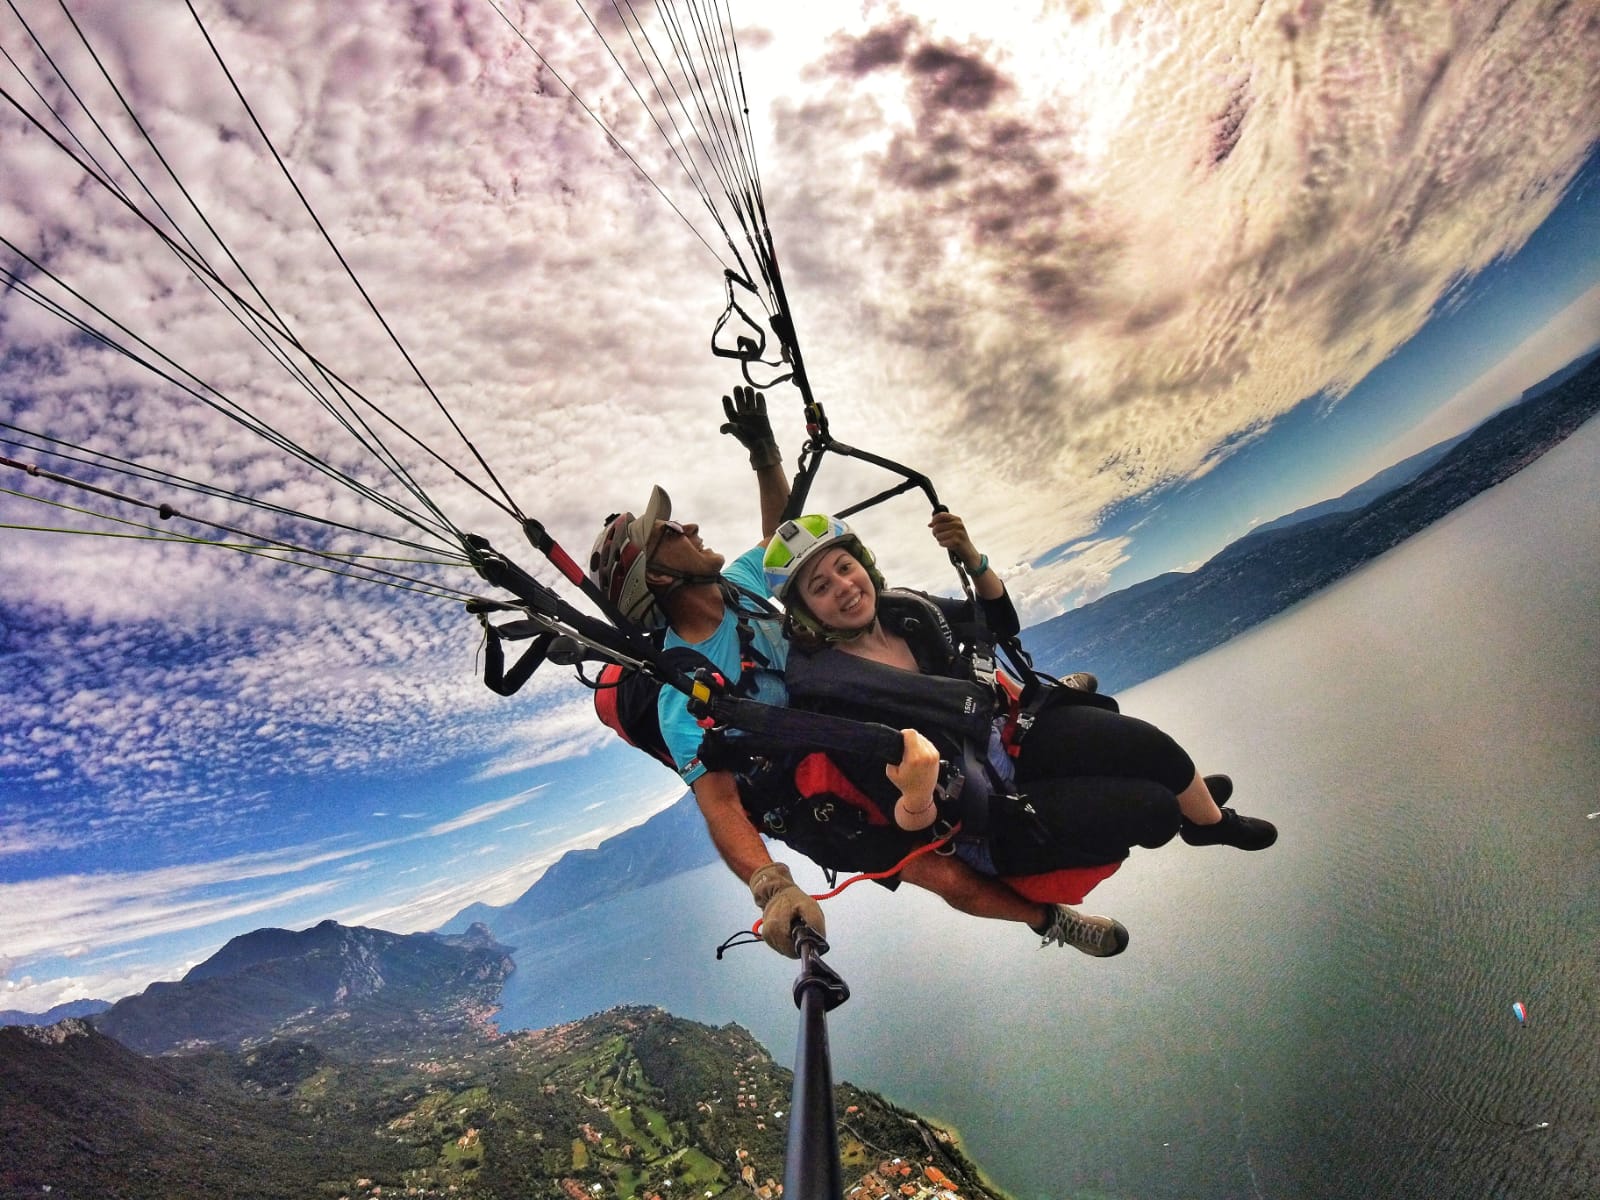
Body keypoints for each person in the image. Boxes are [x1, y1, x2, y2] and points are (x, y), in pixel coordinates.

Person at [591, 391, 1125, 959]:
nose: (688, 525)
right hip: (819, 782)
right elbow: (719, 803)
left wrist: (765, 456)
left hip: (852, 699)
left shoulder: (741, 584)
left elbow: (785, 543)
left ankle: (1028, 702)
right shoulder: (683, 694)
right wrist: (771, 886)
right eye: (669, 532)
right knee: (941, 874)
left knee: (914, 627)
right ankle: (1052, 920)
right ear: (658, 579)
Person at [761, 510, 1277, 910]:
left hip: (1006, 738)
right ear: (806, 612)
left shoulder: (906, 613)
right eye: (821, 587)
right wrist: (917, 792)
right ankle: (1181, 808)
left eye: (844, 567)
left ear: (863, 564)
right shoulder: (830, 699)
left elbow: (999, 621)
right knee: (1155, 810)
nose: (845, 587)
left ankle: (1209, 822)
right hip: (980, 814)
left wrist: (969, 554)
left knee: (1148, 744)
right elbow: (907, 826)